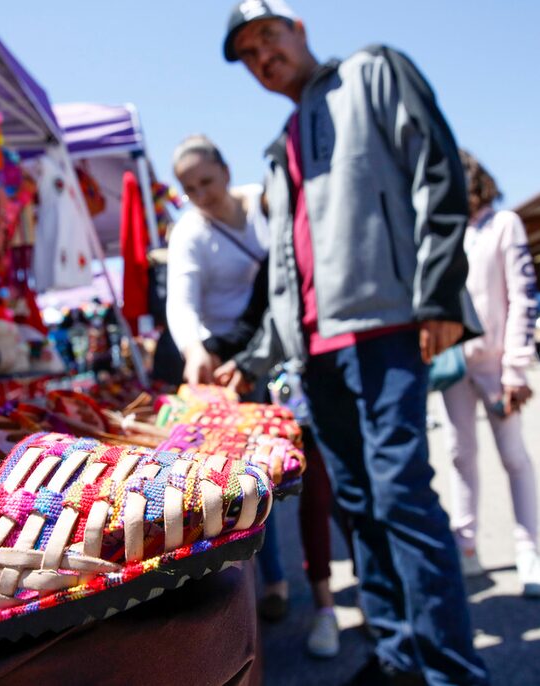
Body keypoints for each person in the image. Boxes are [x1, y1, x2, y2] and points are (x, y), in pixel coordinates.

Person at [221, 2, 489, 684]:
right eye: (249, 55)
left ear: (299, 29)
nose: (263, 59)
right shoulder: (278, 146)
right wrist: (251, 359)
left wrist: (437, 294)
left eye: (268, 39)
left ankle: (452, 671)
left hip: (387, 326)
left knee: (401, 495)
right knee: (361, 506)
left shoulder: (373, 72)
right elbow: (284, 271)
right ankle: (398, 658)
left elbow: (437, 170)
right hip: (317, 353)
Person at [205, 263, 341, 659]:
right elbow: (262, 321)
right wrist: (230, 355)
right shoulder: (276, 258)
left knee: (352, 500)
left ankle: (381, 602)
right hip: (287, 400)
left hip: (340, 383)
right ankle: (326, 605)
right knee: (312, 499)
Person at [436, 150, 540, 594]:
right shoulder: (446, 232)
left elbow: (522, 296)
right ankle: (467, 545)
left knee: (513, 455)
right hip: (455, 365)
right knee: (460, 453)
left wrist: (516, 366)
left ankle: (529, 549)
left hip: (498, 365)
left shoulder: (504, 225)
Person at [166, 135, 268, 385]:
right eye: (189, 189)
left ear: (226, 172)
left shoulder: (263, 203)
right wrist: (193, 350)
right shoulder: (189, 232)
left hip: (274, 338)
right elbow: (182, 303)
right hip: (228, 353)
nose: (201, 195)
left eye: (206, 181)